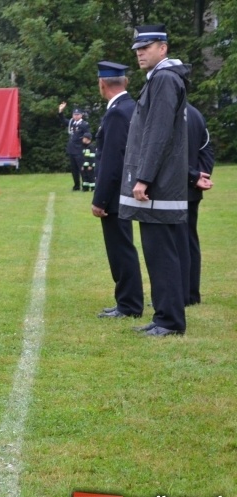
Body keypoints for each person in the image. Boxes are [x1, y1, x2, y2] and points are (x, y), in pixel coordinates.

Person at [120, 24, 190, 337]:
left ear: (163, 47)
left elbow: (157, 134)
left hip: (158, 187)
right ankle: (164, 316)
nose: (139, 53)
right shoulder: (164, 78)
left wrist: (144, 178)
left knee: (161, 255)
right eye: (137, 49)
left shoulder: (163, 79)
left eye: (145, 47)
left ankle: (169, 321)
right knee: (164, 253)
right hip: (164, 184)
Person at [91, 61, 144, 319]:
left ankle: (129, 304)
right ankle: (128, 301)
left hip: (115, 194)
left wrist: (99, 199)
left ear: (102, 84)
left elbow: (111, 160)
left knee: (120, 248)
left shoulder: (116, 113)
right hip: (128, 187)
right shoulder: (131, 107)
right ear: (125, 82)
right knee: (124, 246)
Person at [182, 103, 214, 305]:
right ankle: (191, 293)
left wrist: (193, 177)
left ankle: (182, 294)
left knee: (177, 243)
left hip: (174, 188)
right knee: (190, 240)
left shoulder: (168, 113)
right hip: (192, 189)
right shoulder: (195, 114)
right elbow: (207, 149)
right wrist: (201, 176)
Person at [58, 102, 91, 191]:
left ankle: (85, 186)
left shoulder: (84, 124)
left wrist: (85, 142)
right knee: (74, 170)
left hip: (80, 149)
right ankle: (76, 186)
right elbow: (63, 121)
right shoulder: (72, 122)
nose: (76, 116)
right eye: (74, 114)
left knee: (82, 169)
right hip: (72, 149)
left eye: (78, 114)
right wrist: (60, 112)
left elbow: (88, 135)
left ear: (81, 115)